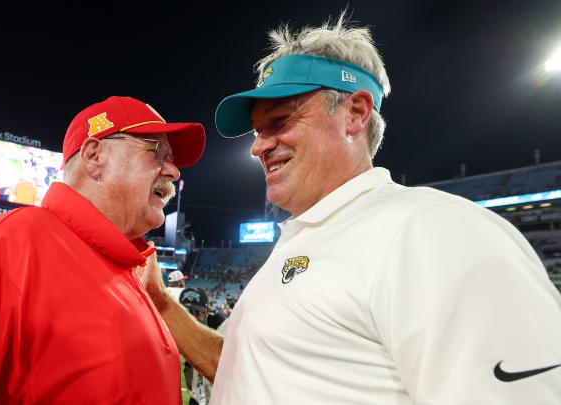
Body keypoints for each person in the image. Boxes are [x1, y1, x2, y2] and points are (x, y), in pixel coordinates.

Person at [136, 13, 561, 404]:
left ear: (356, 113)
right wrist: (163, 304)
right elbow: (245, 369)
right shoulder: (313, 235)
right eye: (259, 130)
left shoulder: (433, 231)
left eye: (280, 121)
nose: (258, 146)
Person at [0, 96, 206, 404]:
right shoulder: (5, 251)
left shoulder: (126, 266)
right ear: (94, 155)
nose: (173, 170)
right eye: (157, 153)